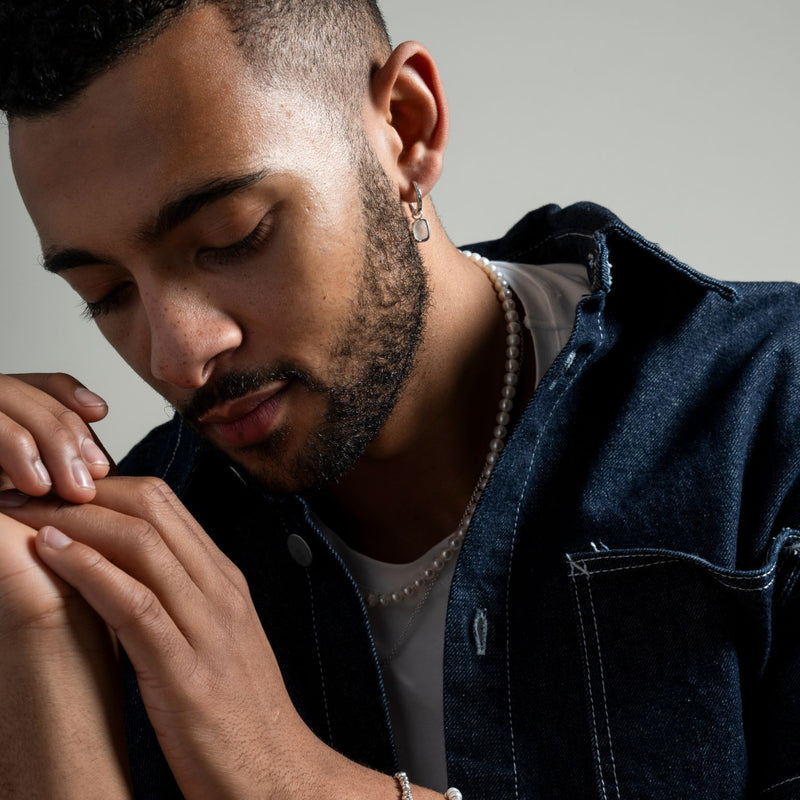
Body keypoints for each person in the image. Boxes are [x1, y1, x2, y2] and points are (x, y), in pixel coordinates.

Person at [0, 2, 798, 799]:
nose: (177, 357)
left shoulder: (768, 410)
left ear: (407, 130)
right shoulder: (120, 544)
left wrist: (283, 776)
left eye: (231, 237)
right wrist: (33, 625)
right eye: (104, 294)